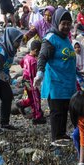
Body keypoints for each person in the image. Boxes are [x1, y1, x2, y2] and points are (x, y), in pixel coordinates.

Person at [34, 8, 77, 147]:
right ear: (56, 22)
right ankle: (56, 137)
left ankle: (62, 133)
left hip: (67, 81)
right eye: (63, 23)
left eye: (68, 23)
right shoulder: (51, 38)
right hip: (56, 81)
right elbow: (42, 56)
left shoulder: (65, 38)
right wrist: (40, 73)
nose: (66, 26)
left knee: (65, 109)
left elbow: (66, 57)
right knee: (57, 111)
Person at [16, 40, 45, 124]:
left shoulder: (26, 57)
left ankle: (22, 104)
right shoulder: (33, 61)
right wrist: (35, 85)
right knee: (36, 97)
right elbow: (33, 74)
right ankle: (37, 117)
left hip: (25, 80)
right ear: (36, 50)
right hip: (31, 82)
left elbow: (21, 64)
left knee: (29, 96)